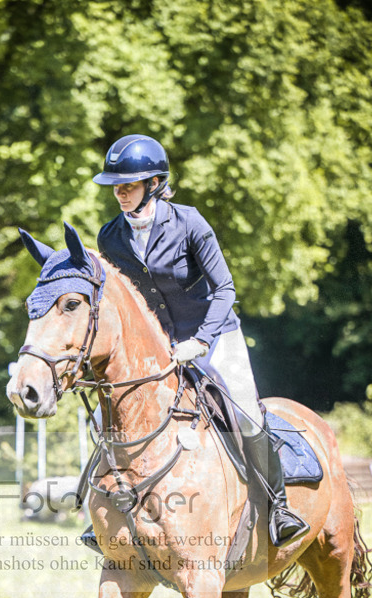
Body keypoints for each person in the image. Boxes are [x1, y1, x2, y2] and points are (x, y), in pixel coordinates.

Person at [82, 133, 309, 550]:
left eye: (129, 184)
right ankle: (105, 510)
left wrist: (202, 341)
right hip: (159, 345)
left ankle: (279, 506)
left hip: (214, 333)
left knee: (245, 413)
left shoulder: (189, 222)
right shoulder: (109, 237)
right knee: (105, 417)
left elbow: (225, 289)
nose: (120, 192)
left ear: (154, 184)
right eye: (116, 185)